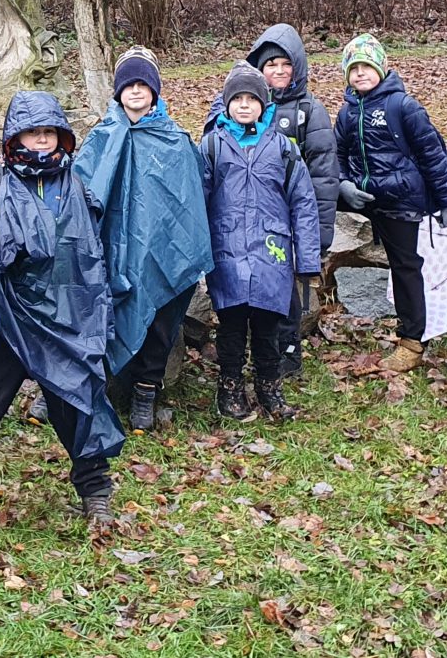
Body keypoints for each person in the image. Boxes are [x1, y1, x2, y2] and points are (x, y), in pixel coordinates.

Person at [0, 91, 122, 541]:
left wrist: (96, 319)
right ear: (15, 137)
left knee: (74, 405)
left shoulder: (75, 188)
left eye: (49, 132)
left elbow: (90, 260)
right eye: (33, 133)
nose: (42, 141)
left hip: (62, 324)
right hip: (4, 321)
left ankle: (95, 490)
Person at [71, 46, 213, 435]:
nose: (135, 90)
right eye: (128, 84)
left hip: (161, 249)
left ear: (154, 90)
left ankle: (146, 390)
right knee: (95, 308)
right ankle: (80, 386)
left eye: (143, 83)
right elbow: (80, 192)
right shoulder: (102, 137)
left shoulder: (175, 140)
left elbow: (188, 202)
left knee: (162, 313)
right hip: (110, 249)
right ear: (118, 91)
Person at [201, 66, 320, 423]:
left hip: (272, 251)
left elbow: (303, 203)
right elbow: (196, 201)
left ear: (264, 105)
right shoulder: (212, 146)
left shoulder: (283, 148)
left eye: (251, 99)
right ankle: (230, 386)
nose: (244, 105)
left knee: (269, 325)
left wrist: (308, 259)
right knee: (232, 324)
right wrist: (197, 253)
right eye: (237, 98)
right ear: (226, 104)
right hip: (227, 249)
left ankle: (270, 387)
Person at [333, 34, 447, 373]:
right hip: (362, 196)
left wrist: (446, 201)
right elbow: (337, 154)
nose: (360, 73)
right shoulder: (347, 112)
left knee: (405, 266)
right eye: (353, 68)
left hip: (400, 198)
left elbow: (433, 155)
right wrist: (343, 184)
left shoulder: (403, 106)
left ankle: (412, 341)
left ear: (381, 68)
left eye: (366, 66)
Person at [244, 25, 341, 379]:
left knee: (286, 292)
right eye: (271, 65)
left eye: (286, 64)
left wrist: (319, 237)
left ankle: (288, 354)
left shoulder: (310, 111)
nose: (279, 71)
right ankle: (259, 350)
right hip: (251, 217)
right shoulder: (247, 106)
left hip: (291, 219)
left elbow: (324, 177)